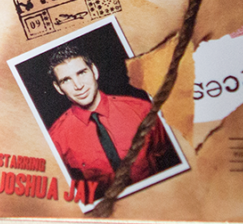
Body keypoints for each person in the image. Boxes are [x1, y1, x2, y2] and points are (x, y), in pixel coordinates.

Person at [45, 44, 175, 196]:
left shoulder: (142, 110)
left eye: (82, 73)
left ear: (94, 71)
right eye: (66, 80)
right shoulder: (55, 139)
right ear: (58, 88)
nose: (78, 85)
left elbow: (166, 156)